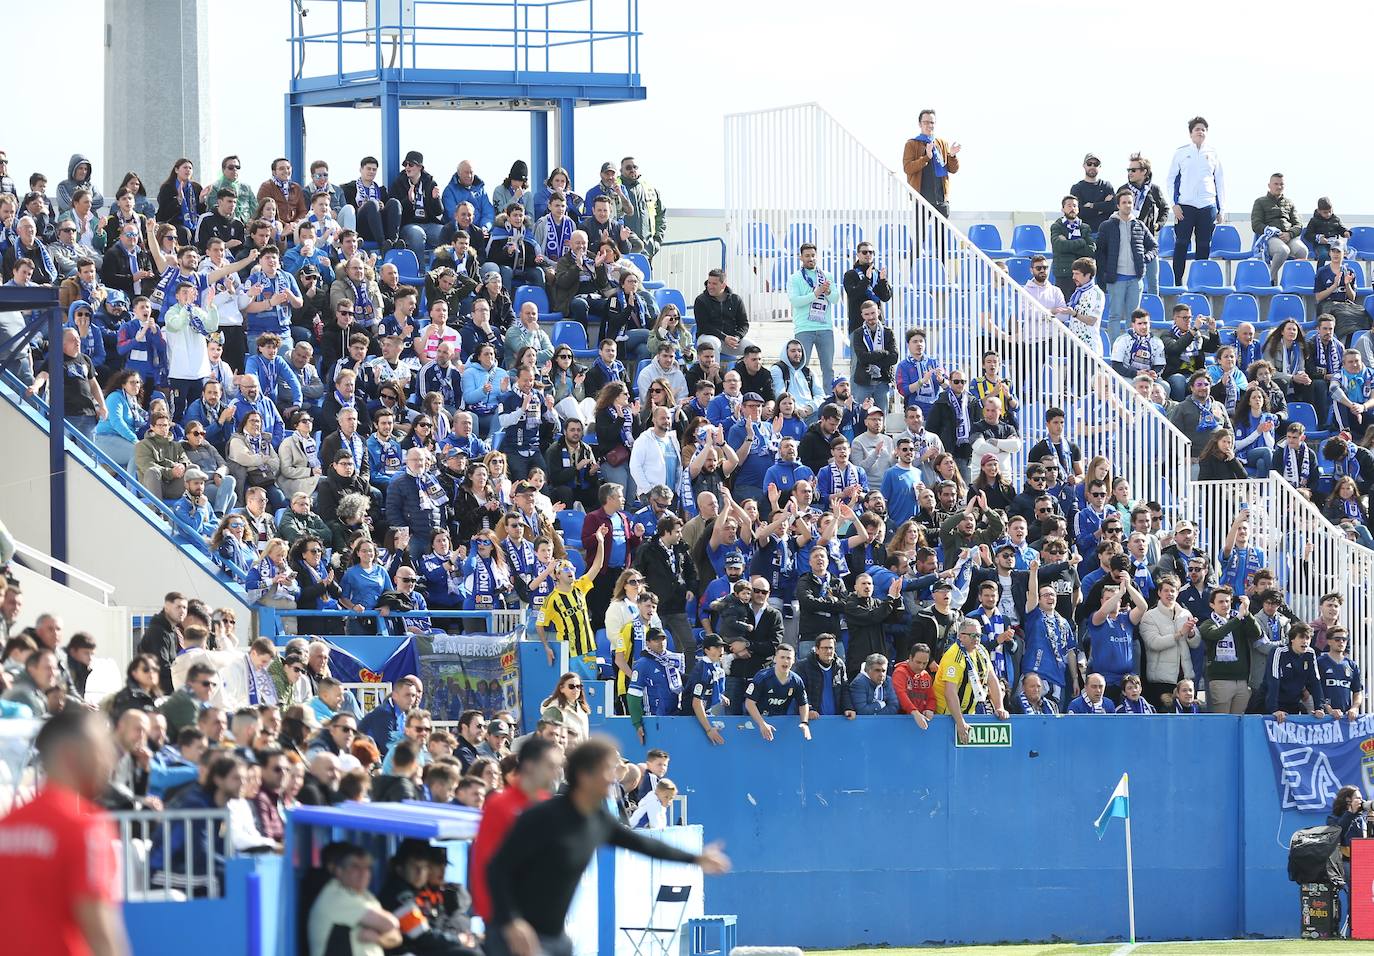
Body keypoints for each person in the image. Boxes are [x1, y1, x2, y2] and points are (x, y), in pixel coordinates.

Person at [486, 737, 728, 956]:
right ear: (584, 774)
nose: (614, 777)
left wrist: (696, 859)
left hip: (555, 938)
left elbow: (644, 844)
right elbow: (496, 870)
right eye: (606, 770)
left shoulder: (597, 820)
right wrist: (511, 922)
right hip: (515, 937)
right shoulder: (540, 817)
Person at [0, 708, 130, 956]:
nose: (109, 761)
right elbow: (100, 932)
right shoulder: (86, 828)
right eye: (100, 750)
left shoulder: (7, 826)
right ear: (71, 755)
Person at [307, 842, 403, 956]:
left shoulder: (366, 896)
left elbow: (396, 937)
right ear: (339, 871)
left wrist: (377, 938)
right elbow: (391, 923)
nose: (363, 873)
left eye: (367, 867)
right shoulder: (335, 896)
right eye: (355, 867)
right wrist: (381, 931)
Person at [1165, 116, 1226, 284]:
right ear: (1191, 133)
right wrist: (1174, 204)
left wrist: (1221, 210)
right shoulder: (1181, 152)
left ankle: (1200, 283)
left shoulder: (1213, 153)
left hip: (1207, 205)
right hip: (1186, 205)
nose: (1201, 132)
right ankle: (1177, 282)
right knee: (1182, 243)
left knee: (1204, 244)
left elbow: (1219, 182)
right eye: (1197, 129)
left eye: (1203, 129)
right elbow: (1170, 180)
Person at [1094, 189, 1156, 343]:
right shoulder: (1107, 225)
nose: (1127, 205)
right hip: (1116, 279)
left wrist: (1145, 258)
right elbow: (1099, 251)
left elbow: (1154, 246)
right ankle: (1116, 348)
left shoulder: (1139, 225)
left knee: (1133, 317)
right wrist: (1104, 274)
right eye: (1124, 202)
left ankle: (1132, 348)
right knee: (1114, 315)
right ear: (1118, 205)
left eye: (1130, 202)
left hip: (1135, 279)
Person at [934, 619, 1009, 741]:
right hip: (946, 715)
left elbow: (992, 680)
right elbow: (950, 692)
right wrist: (960, 722)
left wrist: (999, 707)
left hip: (969, 713)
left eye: (979, 635)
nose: (977, 639)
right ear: (961, 636)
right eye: (973, 635)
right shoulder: (954, 656)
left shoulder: (981, 651)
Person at [786, 243, 837, 390]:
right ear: (801, 257)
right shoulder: (795, 278)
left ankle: (829, 398)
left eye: (813, 255)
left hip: (825, 327)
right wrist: (816, 293)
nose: (811, 258)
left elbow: (835, 299)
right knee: (802, 366)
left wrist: (826, 292)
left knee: (828, 368)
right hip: (804, 328)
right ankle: (803, 395)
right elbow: (795, 301)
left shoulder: (826, 276)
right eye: (807, 256)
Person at [743, 642, 812, 742]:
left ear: (793, 661)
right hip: (754, 723)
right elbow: (749, 703)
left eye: (789, 658)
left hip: (778, 723)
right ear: (775, 659)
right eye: (782, 657)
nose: (785, 661)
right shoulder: (762, 677)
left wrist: (804, 723)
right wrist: (762, 724)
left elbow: (803, 704)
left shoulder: (796, 681)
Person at [902, 108, 961, 221]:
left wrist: (952, 156)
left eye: (932, 122)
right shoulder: (911, 144)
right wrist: (926, 157)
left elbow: (952, 169)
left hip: (941, 199)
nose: (930, 125)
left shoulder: (941, 143)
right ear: (920, 124)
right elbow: (907, 168)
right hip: (921, 199)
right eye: (926, 122)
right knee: (920, 236)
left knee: (942, 237)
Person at [1250, 172, 1308, 284]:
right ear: (1269, 185)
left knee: (1302, 251)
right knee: (1283, 251)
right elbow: (1256, 224)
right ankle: (1269, 279)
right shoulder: (1260, 202)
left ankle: (1294, 282)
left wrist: (1289, 234)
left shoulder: (1289, 203)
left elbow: (1298, 225)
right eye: (1276, 184)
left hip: (1288, 236)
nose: (1279, 187)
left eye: (1281, 184)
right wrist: (1271, 231)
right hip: (1271, 237)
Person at [1267, 624, 1328, 721]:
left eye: (1308, 638)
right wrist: (1274, 710)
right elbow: (1273, 681)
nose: (1305, 641)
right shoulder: (1279, 652)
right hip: (1270, 705)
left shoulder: (1310, 653)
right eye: (1301, 637)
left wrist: (1319, 708)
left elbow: (1315, 681)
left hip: (1292, 704)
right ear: (1292, 639)